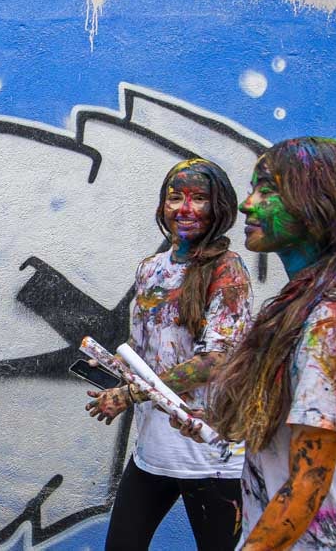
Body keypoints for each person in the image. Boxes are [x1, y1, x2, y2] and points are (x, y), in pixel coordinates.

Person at [183, 137, 336, 549]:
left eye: (268, 190)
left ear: (316, 206)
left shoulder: (333, 321)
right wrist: (204, 418)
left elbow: (308, 483)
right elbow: (280, 431)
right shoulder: (294, 306)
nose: (247, 204)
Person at [84, 159, 253, 550]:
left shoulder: (228, 272)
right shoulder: (151, 269)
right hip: (153, 452)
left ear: (219, 207)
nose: (184, 209)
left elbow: (215, 362)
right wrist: (114, 368)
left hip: (211, 455)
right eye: (174, 197)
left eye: (198, 199)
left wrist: (128, 395)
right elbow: (146, 351)